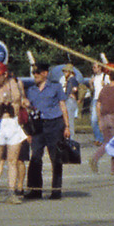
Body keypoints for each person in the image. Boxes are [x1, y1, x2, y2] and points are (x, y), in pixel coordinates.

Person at [22, 62, 73, 200]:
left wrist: (67, 126)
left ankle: (56, 190)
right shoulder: (31, 90)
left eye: (37, 73)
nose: (35, 76)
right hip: (38, 126)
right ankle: (35, 190)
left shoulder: (55, 87)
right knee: (35, 157)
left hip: (54, 124)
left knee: (56, 157)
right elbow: (30, 109)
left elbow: (62, 106)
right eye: (33, 73)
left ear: (45, 73)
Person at [0, 62, 28, 203]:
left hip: (13, 124)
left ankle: (11, 192)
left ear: (5, 74)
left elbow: (22, 100)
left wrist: (24, 102)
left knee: (13, 161)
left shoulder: (15, 85)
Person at [90, 68, 114, 174]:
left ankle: (95, 157)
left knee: (107, 142)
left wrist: (99, 119)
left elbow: (98, 105)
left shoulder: (103, 90)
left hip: (104, 117)